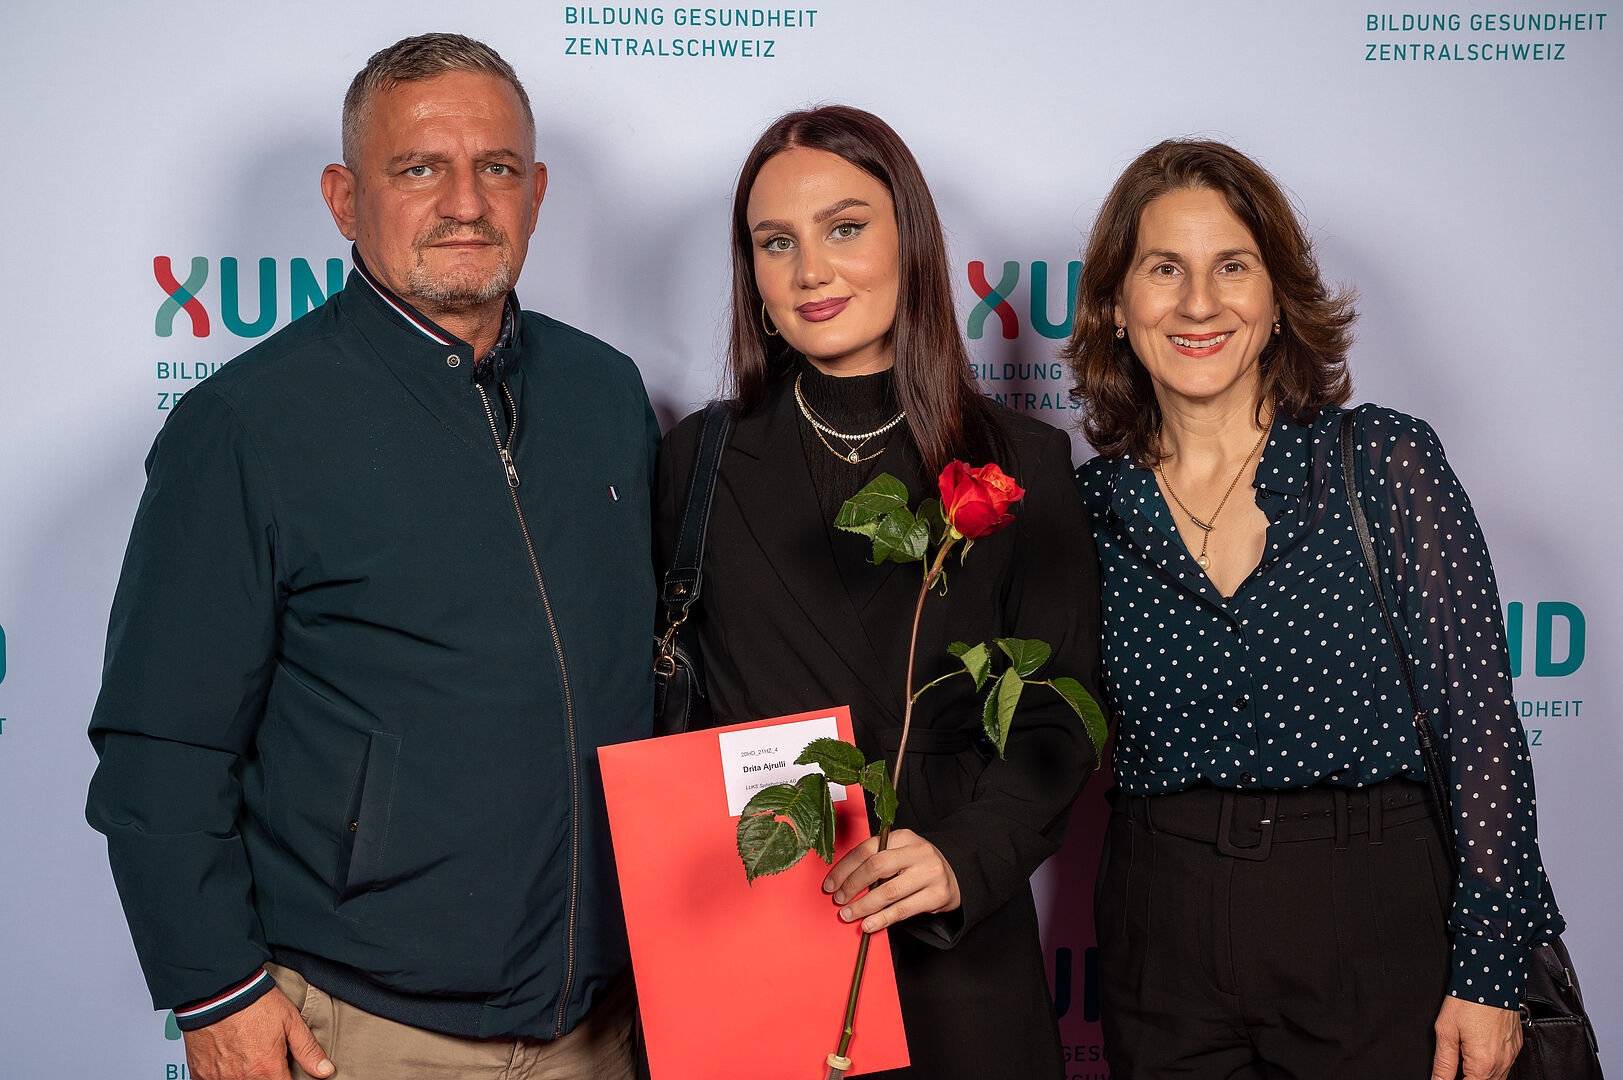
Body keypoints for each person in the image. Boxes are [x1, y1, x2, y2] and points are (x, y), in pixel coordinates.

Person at [86, 33, 656, 1080]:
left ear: (536, 194)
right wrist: (215, 991)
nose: (465, 203)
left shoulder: (606, 392)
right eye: (419, 168)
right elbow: (161, 744)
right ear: (345, 200)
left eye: (496, 168)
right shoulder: (248, 426)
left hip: (601, 1025)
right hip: (363, 1032)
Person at [1066, 138, 1564, 1080]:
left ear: (1277, 299)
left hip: (1371, 916)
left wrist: (1489, 970)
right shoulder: (1087, 508)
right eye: (1164, 269)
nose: (1198, 303)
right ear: (1116, 308)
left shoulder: (1380, 463)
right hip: (1157, 930)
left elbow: (1479, 728)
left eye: (1231, 267)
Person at [655, 105, 1102, 1079]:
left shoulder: (1023, 462)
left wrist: (961, 858)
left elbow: (1059, 716)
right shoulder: (696, 461)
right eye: (777, 242)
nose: (810, 270)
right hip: (758, 923)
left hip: (954, 938)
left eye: (845, 227)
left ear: (912, 242)